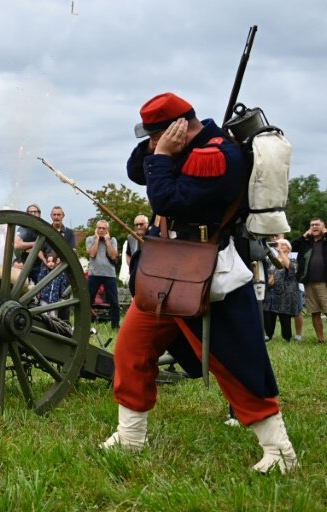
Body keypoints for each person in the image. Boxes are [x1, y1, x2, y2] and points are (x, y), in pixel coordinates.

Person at [101, 92, 298, 474]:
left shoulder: (215, 156)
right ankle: (131, 437)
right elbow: (136, 171)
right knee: (131, 349)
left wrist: (163, 157)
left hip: (207, 272)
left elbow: (167, 200)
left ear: (178, 127)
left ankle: (280, 452)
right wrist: (161, 149)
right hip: (167, 270)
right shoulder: (181, 147)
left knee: (236, 362)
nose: (151, 144)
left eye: (155, 134)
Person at [291, 218, 327, 344]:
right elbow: (291, 246)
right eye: (312, 225)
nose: (314, 227)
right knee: (315, 312)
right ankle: (321, 340)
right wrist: (303, 236)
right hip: (309, 282)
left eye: (317, 224)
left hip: (324, 283)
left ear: (323, 227)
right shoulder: (305, 243)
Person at [86, 220, 120, 328]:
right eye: (99, 228)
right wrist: (96, 240)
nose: (101, 230)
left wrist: (107, 241)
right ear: (96, 229)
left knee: (114, 302)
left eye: (103, 228)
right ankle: (87, 324)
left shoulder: (112, 240)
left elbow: (113, 256)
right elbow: (92, 253)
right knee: (88, 301)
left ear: (107, 230)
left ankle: (115, 326)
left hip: (109, 275)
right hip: (94, 274)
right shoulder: (90, 239)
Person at [263, 239, 299, 341]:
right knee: (269, 315)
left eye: (284, 244)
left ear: (289, 248)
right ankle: (268, 336)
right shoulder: (270, 260)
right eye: (279, 244)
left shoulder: (292, 260)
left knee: (285, 316)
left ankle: (286, 337)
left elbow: (291, 268)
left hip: (285, 293)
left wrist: (280, 252)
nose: (281, 245)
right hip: (271, 292)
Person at [15, 204, 46, 285]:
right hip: (25, 264)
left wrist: (26, 246)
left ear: (39, 214)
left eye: (35, 212)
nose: (32, 214)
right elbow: (17, 244)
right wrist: (35, 244)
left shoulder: (45, 228)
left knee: (41, 289)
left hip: (40, 265)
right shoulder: (22, 228)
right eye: (30, 212)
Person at [37, 253, 68, 317]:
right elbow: (39, 282)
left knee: (52, 316)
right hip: (44, 297)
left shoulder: (61, 274)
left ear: (56, 261)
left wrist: (63, 296)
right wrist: (39, 293)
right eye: (48, 262)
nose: (50, 263)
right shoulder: (44, 271)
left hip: (54, 299)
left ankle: (51, 326)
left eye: (52, 261)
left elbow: (63, 285)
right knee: (44, 314)